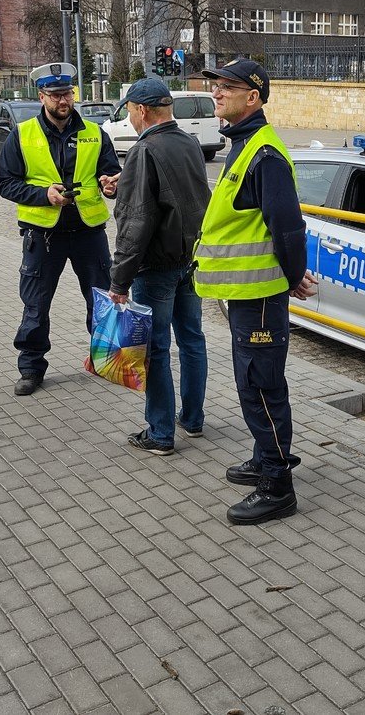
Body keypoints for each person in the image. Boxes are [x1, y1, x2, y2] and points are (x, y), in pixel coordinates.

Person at [194, 58, 318, 525]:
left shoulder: (263, 153)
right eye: (217, 86)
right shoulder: (244, 145)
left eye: (228, 87)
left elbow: (288, 228)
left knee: (261, 388)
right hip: (249, 294)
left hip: (262, 298)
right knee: (253, 384)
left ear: (254, 97)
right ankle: (264, 457)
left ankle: (277, 484)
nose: (218, 93)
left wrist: (292, 276)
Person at [0, 62, 120, 396]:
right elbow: (6, 184)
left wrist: (111, 185)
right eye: (55, 95)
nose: (63, 100)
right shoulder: (22, 135)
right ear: (42, 96)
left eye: (67, 93)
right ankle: (31, 368)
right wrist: (43, 195)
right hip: (43, 236)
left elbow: (111, 174)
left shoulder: (95, 133)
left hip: (88, 232)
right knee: (36, 304)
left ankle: (105, 360)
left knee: (101, 300)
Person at [107, 77, 211, 456]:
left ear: (142, 110)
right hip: (190, 260)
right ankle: (193, 419)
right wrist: (125, 183)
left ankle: (160, 434)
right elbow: (182, 194)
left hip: (157, 267)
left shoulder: (144, 150)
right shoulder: (188, 143)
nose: (131, 119)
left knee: (155, 350)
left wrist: (119, 280)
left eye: (131, 112)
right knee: (192, 340)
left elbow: (136, 223)